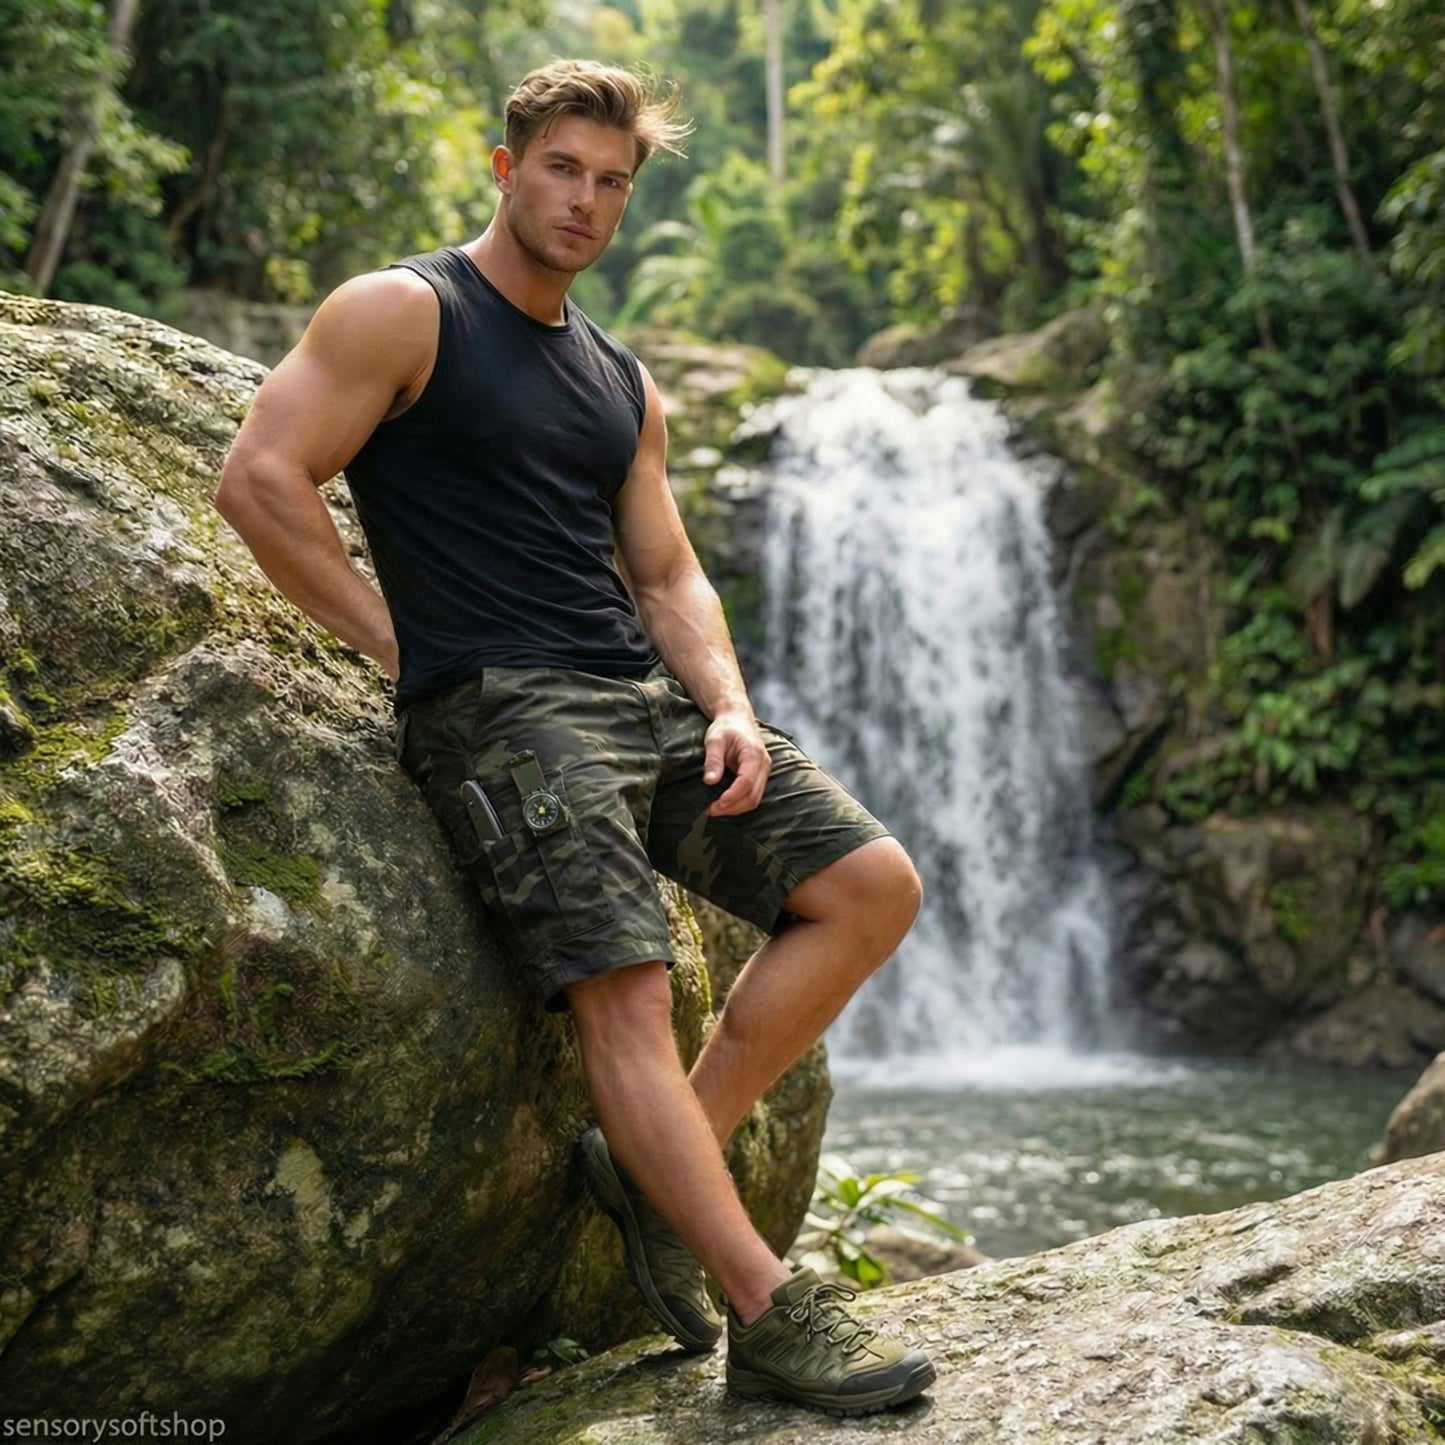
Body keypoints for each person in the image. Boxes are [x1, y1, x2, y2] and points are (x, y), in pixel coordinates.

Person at [214, 58, 935, 1417]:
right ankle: (769, 1309)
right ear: (506, 167)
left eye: (611, 181)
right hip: (496, 708)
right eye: (562, 169)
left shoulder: (619, 379)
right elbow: (259, 476)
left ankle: (658, 1163)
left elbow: (664, 575)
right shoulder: (403, 311)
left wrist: (723, 700)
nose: (586, 200)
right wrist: (403, 649)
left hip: (639, 701)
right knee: (628, 984)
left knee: (870, 886)